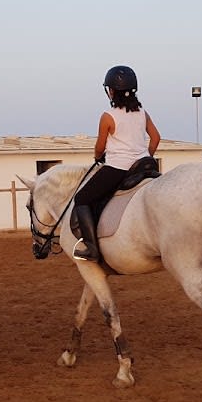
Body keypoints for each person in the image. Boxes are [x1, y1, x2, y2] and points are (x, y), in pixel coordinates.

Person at [71, 65, 162, 262]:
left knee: (82, 198)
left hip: (118, 169)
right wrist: (146, 156)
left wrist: (97, 157)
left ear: (111, 91)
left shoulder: (108, 116)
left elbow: (99, 146)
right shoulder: (142, 113)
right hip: (143, 166)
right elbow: (155, 138)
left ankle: (92, 249)